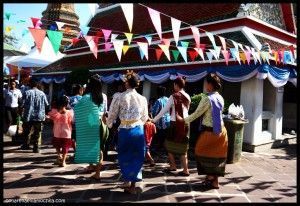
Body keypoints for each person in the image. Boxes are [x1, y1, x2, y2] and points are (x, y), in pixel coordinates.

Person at [177, 73, 228, 189]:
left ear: (210, 84)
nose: (205, 85)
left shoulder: (207, 98)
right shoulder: (220, 97)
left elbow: (196, 114)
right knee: (216, 156)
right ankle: (214, 181)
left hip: (210, 132)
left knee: (200, 152)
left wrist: (182, 120)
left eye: (206, 83)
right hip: (221, 131)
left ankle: (210, 176)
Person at [107, 70, 148, 194]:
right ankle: (132, 185)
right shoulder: (142, 98)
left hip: (124, 130)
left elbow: (112, 113)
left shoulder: (119, 96)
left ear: (126, 83)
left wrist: (109, 124)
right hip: (138, 130)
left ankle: (127, 181)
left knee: (124, 156)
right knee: (136, 156)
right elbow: (145, 117)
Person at [152, 76, 191, 176]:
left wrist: (154, 120)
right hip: (185, 124)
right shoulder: (188, 96)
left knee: (168, 145)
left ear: (176, 85)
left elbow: (163, 111)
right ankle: (185, 170)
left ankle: (173, 166)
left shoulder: (173, 97)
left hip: (175, 124)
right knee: (183, 147)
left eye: (174, 84)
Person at [74, 74, 107, 181]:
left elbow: (78, 110)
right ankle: (97, 171)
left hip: (89, 125)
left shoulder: (86, 97)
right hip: (101, 124)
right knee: (99, 149)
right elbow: (104, 112)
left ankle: (93, 167)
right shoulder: (103, 96)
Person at [20, 78, 49, 153]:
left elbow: (22, 104)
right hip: (39, 116)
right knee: (37, 132)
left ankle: (26, 145)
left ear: (30, 84)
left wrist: (20, 113)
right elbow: (46, 104)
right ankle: (36, 147)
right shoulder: (42, 93)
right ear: (37, 84)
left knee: (27, 131)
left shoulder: (26, 93)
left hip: (28, 116)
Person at [47, 95, 74, 167]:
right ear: (66, 104)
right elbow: (72, 121)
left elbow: (49, 118)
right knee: (65, 148)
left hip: (57, 132)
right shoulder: (70, 112)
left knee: (57, 145)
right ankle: (63, 162)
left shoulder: (54, 112)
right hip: (66, 133)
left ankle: (59, 156)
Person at [151, 86, 171, 152]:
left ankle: (158, 149)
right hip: (168, 120)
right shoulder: (168, 99)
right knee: (166, 137)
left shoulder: (159, 101)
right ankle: (165, 150)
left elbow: (154, 112)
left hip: (161, 122)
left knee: (159, 137)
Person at [69, 84, 84, 153]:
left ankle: (76, 150)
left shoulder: (69, 99)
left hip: (72, 121)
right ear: (80, 90)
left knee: (73, 137)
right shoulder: (83, 99)